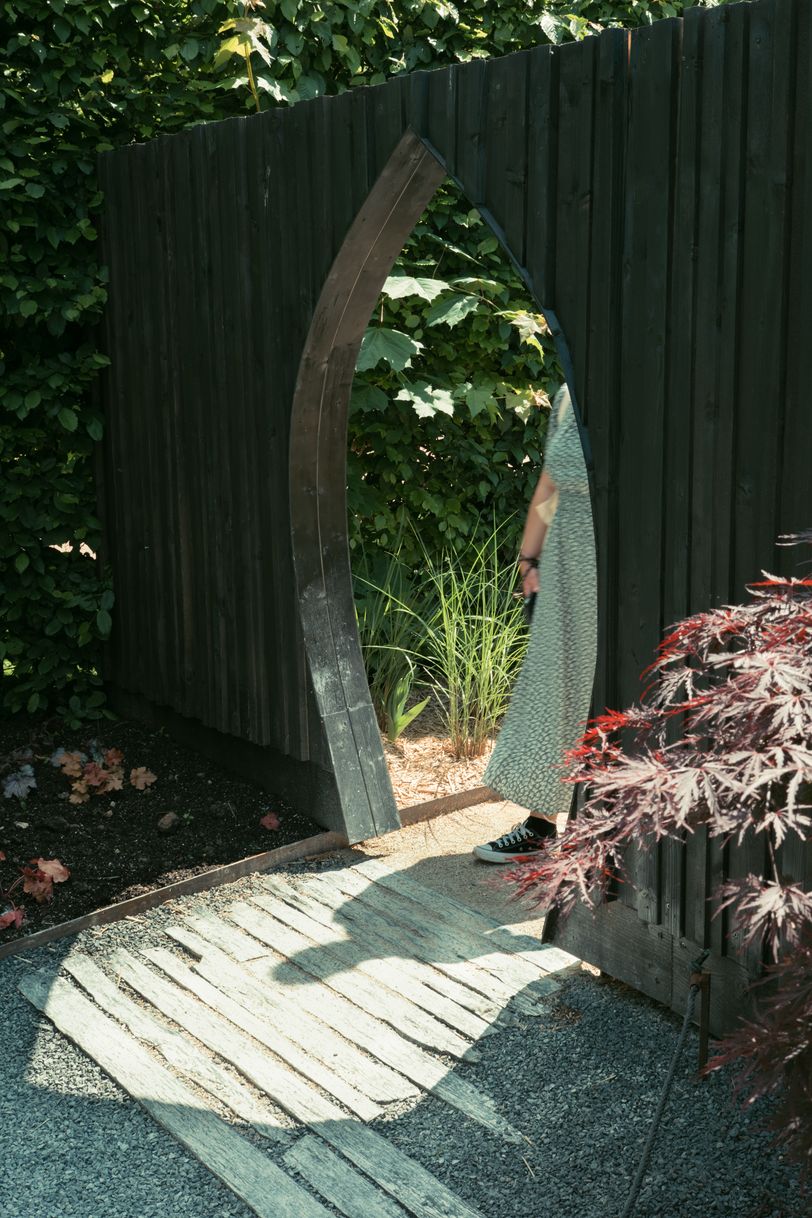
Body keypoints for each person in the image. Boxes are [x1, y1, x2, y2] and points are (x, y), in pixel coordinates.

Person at [473, 382, 598, 862]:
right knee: (553, 688)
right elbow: (550, 488)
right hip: (566, 574)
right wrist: (529, 559)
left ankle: (606, 829)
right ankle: (542, 825)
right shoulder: (569, 392)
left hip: (618, 577)